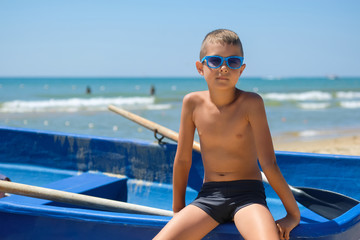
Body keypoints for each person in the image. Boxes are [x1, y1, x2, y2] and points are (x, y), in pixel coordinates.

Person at [154, 29, 300, 240]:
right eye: (214, 61)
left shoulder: (251, 103)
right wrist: (178, 210)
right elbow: (183, 160)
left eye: (232, 62)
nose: (223, 68)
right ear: (200, 67)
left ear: (241, 69)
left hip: (249, 197)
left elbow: (269, 164)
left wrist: (292, 214)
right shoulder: (192, 103)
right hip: (209, 197)